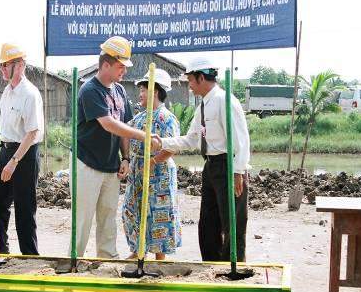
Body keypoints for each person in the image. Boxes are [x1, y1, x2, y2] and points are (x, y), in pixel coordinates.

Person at [153, 58, 250, 261]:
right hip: (211, 166)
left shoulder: (225, 101)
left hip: (228, 166)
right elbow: (191, 140)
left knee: (232, 223)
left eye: (190, 79)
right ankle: (212, 264)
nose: (188, 84)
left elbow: (241, 139)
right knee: (208, 222)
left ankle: (233, 268)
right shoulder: (202, 107)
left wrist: (238, 171)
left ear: (201, 77)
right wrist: (162, 142)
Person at [73, 36, 160, 259]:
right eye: (120, 66)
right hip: (87, 164)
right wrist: (145, 136)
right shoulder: (90, 90)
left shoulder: (119, 91)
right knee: (83, 217)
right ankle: (74, 259)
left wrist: (126, 158)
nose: (124, 71)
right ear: (106, 65)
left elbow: (124, 126)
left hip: (111, 165)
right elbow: (109, 124)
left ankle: (106, 258)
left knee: (108, 215)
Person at [122, 68, 182, 261]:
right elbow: (124, 132)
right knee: (133, 210)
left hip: (159, 174)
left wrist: (154, 160)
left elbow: (174, 146)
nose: (139, 94)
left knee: (158, 213)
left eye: (143, 90)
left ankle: (160, 256)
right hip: (138, 171)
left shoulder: (166, 118)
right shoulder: (139, 118)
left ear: (154, 92)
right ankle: (138, 250)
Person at [0, 43, 44, 255]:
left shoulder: (29, 93)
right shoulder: (7, 91)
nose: (2, 69)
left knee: (24, 208)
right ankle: (0, 252)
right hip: (6, 149)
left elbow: (32, 133)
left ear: (20, 65)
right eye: (1, 65)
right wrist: (7, 158)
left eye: (6, 64)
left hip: (25, 153)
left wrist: (14, 162)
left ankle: (30, 256)